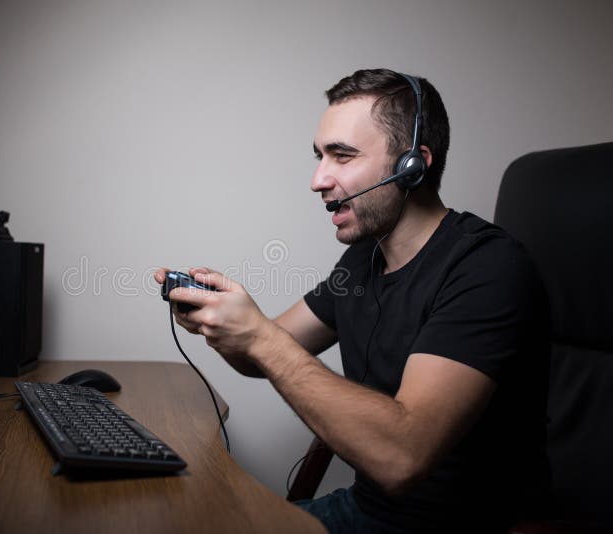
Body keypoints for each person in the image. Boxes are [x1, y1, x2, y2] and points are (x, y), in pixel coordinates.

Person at [154, 68, 550, 533]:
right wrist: (223, 322)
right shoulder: (362, 260)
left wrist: (260, 337)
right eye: (320, 156)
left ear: (413, 165)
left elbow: (402, 457)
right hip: (368, 511)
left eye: (342, 156)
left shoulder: (488, 268)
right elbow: (262, 357)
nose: (318, 180)